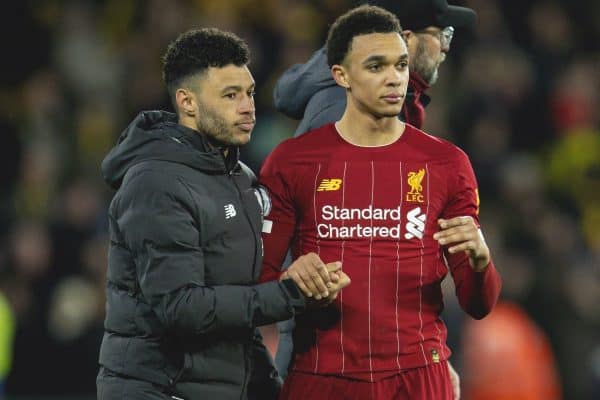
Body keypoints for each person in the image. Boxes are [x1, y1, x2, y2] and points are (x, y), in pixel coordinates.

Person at [259, 5, 501, 399]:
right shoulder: (329, 124)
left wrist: (431, 355)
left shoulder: (434, 148)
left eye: (400, 65)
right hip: (329, 359)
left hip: (406, 367)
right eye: (441, 34)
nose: (444, 48)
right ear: (405, 35)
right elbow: (316, 251)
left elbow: (402, 262)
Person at [96, 27, 349, 400]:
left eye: (248, 92)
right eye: (230, 95)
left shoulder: (240, 178)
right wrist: (289, 294)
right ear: (188, 102)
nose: (248, 106)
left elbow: (240, 317)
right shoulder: (155, 181)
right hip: (160, 390)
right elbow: (182, 308)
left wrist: (272, 389)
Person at [273, 0, 476, 134]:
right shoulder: (347, 108)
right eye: (442, 35)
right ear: (406, 40)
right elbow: (341, 197)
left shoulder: (375, 98)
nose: (446, 47)